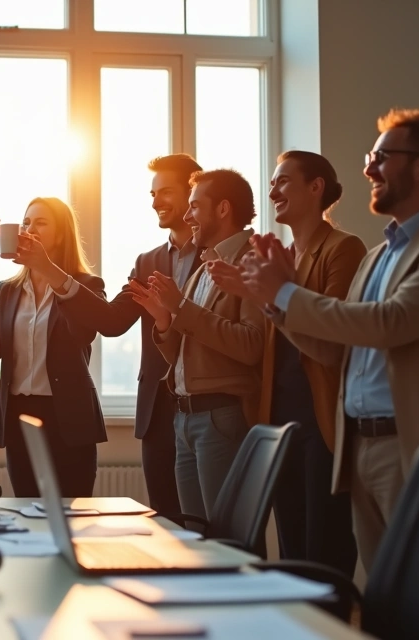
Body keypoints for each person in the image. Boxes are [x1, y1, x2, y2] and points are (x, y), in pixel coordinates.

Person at [234, 109, 419, 569]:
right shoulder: (377, 256)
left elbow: (392, 322)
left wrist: (285, 293)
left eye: (381, 157)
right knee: (382, 595)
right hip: (360, 446)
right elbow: (335, 349)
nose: (369, 169)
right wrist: (275, 305)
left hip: (417, 443)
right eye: (370, 158)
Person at [208, 151, 364, 576]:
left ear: (316, 187)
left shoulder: (343, 248)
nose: (273, 191)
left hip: (322, 418)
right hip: (280, 418)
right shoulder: (283, 255)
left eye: (283, 181)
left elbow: (334, 333)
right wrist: (255, 292)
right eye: (273, 183)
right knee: (291, 550)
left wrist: (275, 292)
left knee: (324, 550)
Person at [55, 154, 203, 514]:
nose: (155, 202)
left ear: (193, 192)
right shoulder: (147, 262)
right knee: (165, 519)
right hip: (158, 411)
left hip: (207, 406)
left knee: (209, 521)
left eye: (165, 192)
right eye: (152, 194)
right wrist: (59, 280)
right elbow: (112, 322)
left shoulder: (218, 256)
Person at [127, 169, 264, 520]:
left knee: (225, 536)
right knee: (195, 536)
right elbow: (182, 354)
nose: (187, 216)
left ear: (223, 209)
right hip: (185, 419)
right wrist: (163, 320)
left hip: (220, 418)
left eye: (194, 207)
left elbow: (251, 345)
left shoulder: (253, 261)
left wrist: (181, 308)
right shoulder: (204, 268)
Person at [0, 197, 106, 497]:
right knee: (26, 509)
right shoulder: (7, 291)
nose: (29, 228)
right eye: (26, 222)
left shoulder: (85, 286)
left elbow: (83, 334)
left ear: (61, 235)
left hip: (69, 418)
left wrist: (50, 272)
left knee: (71, 512)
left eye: (41, 222)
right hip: (20, 419)